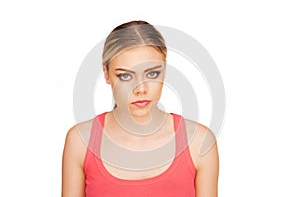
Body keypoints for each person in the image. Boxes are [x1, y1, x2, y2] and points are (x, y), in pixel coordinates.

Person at [62, 20, 219, 197]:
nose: (141, 89)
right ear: (106, 74)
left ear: (164, 70)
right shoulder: (80, 141)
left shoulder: (199, 142)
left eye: (152, 74)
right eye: (125, 76)